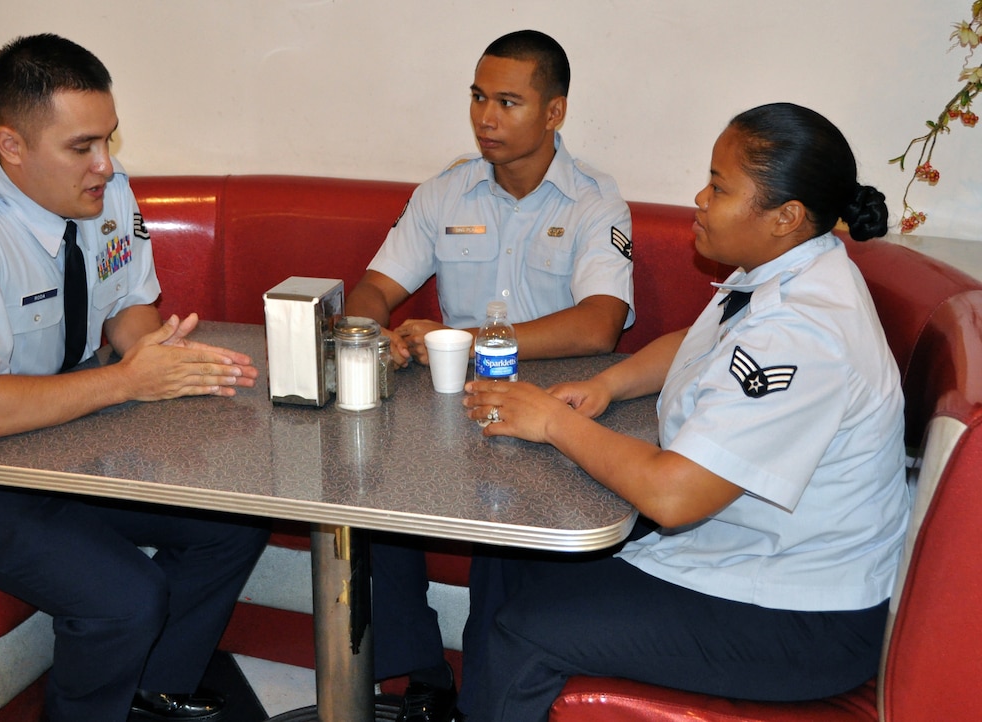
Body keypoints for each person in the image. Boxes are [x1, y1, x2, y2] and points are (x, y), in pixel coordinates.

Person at [461, 102, 911, 721]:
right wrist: (607, 385)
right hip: (742, 547)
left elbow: (673, 496)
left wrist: (552, 422)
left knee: (525, 630)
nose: (699, 199)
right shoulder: (785, 270)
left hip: (799, 610)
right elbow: (697, 345)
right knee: (508, 548)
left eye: (719, 188)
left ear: (786, 217)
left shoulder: (805, 331)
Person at [0, 34, 269, 722]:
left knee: (232, 523)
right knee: (125, 598)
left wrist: (157, 354)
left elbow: (127, 303)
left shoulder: (108, 193)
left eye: (108, 139)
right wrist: (128, 382)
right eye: (82, 147)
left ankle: (149, 690)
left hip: (64, 440)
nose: (106, 164)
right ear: (12, 146)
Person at [343, 29, 635, 722]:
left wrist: (464, 340)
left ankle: (485, 701)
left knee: (506, 516)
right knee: (363, 483)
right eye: (478, 98)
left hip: (553, 414)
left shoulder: (594, 201)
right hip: (450, 410)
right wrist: (376, 337)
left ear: (554, 112)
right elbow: (373, 290)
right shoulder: (445, 193)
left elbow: (600, 324)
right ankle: (421, 676)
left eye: (507, 102)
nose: (486, 117)